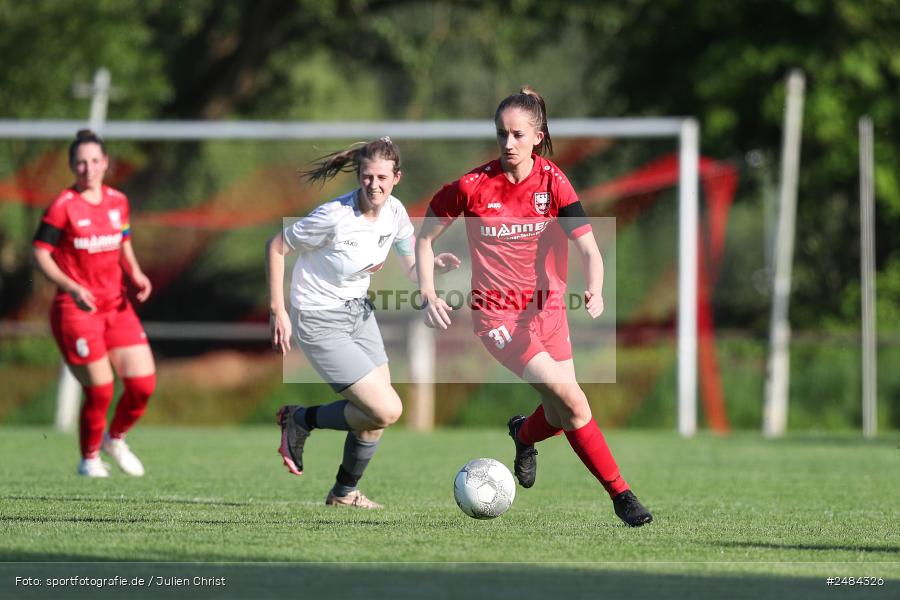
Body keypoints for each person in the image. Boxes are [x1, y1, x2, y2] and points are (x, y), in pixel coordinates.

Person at [415, 87, 653, 526]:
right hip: (497, 319)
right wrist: (428, 292)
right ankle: (622, 496)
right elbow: (424, 237)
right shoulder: (471, 187)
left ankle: (524, 434)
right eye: (502, 134)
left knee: (564, 413)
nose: (508, 143)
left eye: (518, 135)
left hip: (549, 313)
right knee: (573, 400)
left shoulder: (553, 182)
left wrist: (596, 288)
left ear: (537, 137)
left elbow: (589, 249)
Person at [267, 137, 459, 509]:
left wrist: (430, 269)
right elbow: (275, 246)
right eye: (367, 177)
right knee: (387, 408)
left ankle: (343, 494)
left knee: (374, 417)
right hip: (318, 317)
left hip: (359, 312)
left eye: (382, 177)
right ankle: (300, 420)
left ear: (396, 177)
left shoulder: (396, 212)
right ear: (358, 176)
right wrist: (278, 310)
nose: (375, 185)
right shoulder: (333, 217)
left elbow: (408, 260)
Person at [32, 129, 155, 478]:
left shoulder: (118, 201)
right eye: (81, 162)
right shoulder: (62, 206)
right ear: (72, 166)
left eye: (94, 161)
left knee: (143, 385)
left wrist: (136, 273)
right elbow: (40, 254)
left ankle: (114, 439)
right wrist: (70, 287)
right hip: (77, 311)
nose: (88, 168)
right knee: (101, 388)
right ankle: (89, 459)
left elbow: (123, 242)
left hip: (115, 307)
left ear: (106, 163)